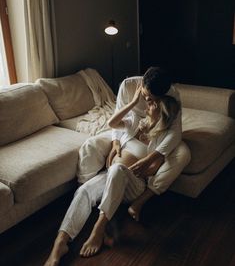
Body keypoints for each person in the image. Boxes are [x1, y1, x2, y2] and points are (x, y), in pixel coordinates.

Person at [44, 80, 181, 266]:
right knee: (84, 190)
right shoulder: (136, 122)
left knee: (117, 169)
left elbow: (152, 170)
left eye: (152, 104)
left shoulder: (162, 139)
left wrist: (128, 167)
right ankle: (60, 244)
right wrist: (132, 103)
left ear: (162, 113)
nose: (147, 106)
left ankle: (98, 230)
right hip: (111, 176)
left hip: (134, 185)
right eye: (148, 103)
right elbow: (112, 123)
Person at [78, 67, 191, 221]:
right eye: (145, 96)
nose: (147, 102)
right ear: (141, 83)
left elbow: (175, 132)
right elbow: (116, 119)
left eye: (153, 100)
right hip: (128, 128)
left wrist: (151, 158)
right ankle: (84, 189)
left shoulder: (172, 96)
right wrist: (115, 142)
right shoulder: (128, 85)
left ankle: (141, 200)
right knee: (91, 144)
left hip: (153, 133)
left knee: (183, 154)